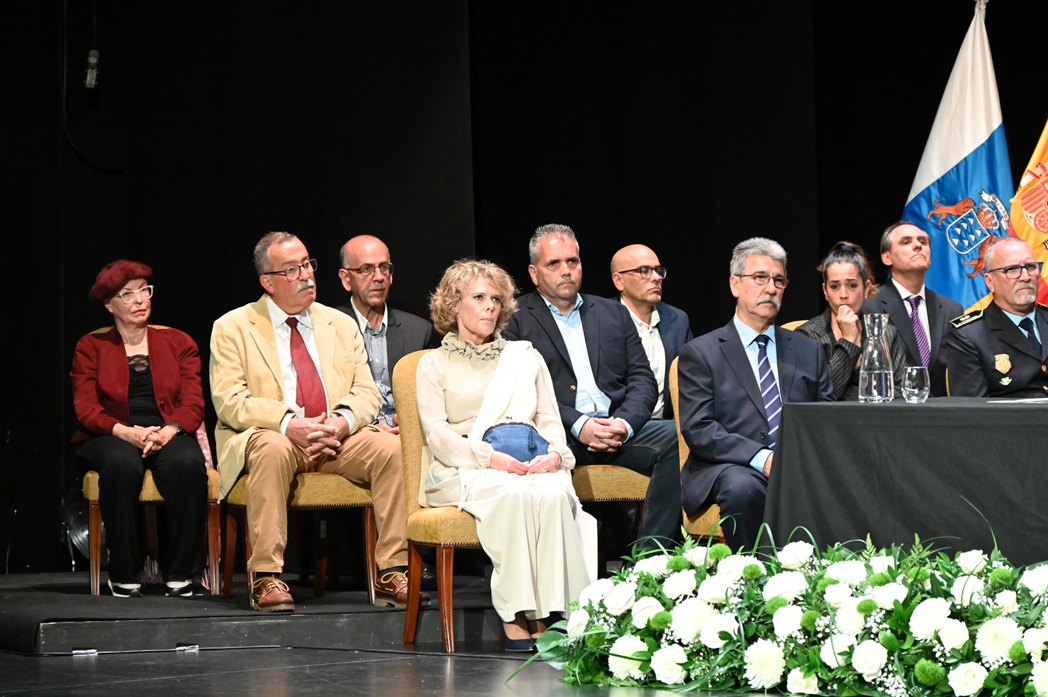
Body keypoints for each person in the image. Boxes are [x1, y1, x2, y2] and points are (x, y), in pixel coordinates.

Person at [209, 231, 423, 612]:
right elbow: (230, 401)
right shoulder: (233, 327)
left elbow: (367, 392)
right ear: (268, 282)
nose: (306, 275)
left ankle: (392, 570)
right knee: (270, 448)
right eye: (292, 270)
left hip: (334, 437)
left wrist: (341, 422)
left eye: (307, 264)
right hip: (277, 436)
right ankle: (266, 576)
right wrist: (289, 424)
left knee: (391, 448)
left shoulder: (339, 324)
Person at [416, 259, 594, 652]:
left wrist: (555, 455)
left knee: (552, 493)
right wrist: (489, 459)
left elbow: (548, 419)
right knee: (512, 494)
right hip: (465, 466)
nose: (490, 307)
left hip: (529, 462)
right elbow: (438, 435)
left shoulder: (524, 356)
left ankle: (552, 611)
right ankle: (515, 612)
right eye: (479, 298)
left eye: (496, 299)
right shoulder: (432, 363)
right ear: (453, 304)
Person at [503, 224, 680, 553]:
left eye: (572, 261)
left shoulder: (612, 313)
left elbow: (642, 379)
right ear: (534, 273)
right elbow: (521, 390)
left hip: (617, 429)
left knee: (679, 436)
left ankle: (649, 558)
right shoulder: (515, 319)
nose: (566, 271)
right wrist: (579, 423)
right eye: (554, 263)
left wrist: (624, 423)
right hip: (559, 432)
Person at [677, 238, 834, 551]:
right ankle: (754, 573)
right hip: (731, 465)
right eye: (760, 278)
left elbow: (825, 417)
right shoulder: (702, 353)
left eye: (779, 280)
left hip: (798, 463)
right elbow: (699, 428)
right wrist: (762, 458)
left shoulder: (808, 350)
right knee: (743, 488)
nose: (771, 288)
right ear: (735, 284)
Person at [71, 260, 207, 598]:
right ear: (109, 304)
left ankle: (180, 573)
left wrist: (168, 430)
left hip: (165, 430)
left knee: (187, 463)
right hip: (109, 433)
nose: (140, 300)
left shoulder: (178, 341)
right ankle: (123, 572)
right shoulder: (91, 346)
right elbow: (86, 409)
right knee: (122, 465)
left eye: (144, 291)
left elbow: (193, 402)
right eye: (127, 294)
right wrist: (125, 432)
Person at [337, 234, 440, 435]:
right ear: (346, 279)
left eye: (384, 267)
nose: (378, 277)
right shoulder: (331, 328)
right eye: (366, 269)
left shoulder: (418, 331)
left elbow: (433, 394)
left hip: (407, 433)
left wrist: (411, 422)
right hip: (357, 435)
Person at [795, 241, 908, 400]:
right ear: (825, 291)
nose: (843, 295)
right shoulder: (807, 335)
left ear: (866, 288)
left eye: (852, 285)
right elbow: (819, 397)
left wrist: (848, 393)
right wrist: (848, 341)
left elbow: (905, 392)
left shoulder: (886, 333)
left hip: (879, 416)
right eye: (834, 286)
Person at [863, 221, 963, 397]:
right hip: (894, 409)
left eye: (923, 241)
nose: (918, 245)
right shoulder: (870, 306)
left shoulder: (952, 310)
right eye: (906, 242)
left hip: (943, 410)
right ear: (887, 257)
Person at [945, 236, 1048, 397]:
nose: (1025, 276)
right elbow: (971, 409)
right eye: (1012, 269)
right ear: (990, 281)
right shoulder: (969, 335)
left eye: (1031, 267)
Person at [610, 244, 693, 419]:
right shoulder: (602, 319)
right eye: (644, 271)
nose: (656, 277)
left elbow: (690, 380)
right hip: (617, 421)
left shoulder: (677, 320)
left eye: (658, 270)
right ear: (619, 281)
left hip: (664, 422)